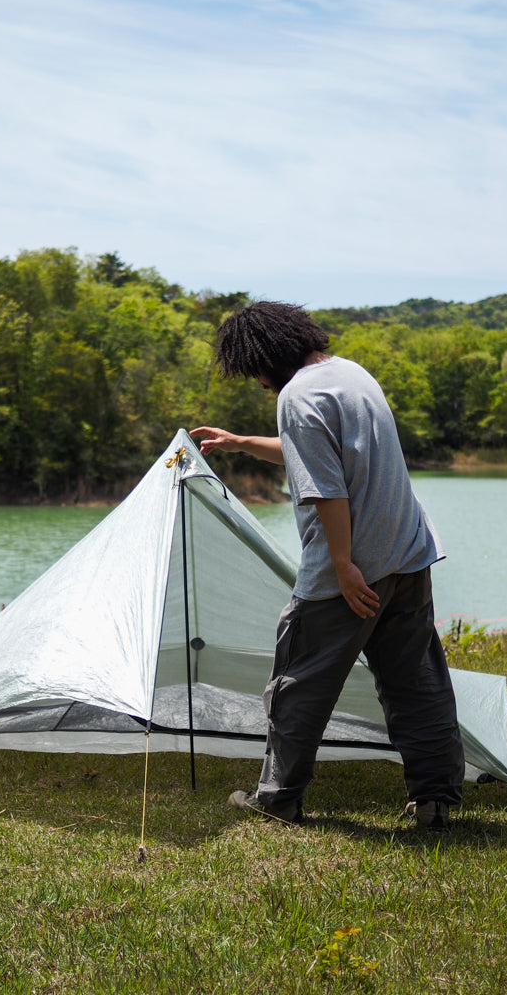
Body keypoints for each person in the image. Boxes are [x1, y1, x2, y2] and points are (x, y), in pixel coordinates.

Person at [191, 301, 464, 830]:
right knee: (416, 682)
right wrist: (243, 443)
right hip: (407, 555)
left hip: (354, 571)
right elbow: (324, 456)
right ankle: (435, 802)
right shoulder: (352, 374)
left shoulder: (297, 396)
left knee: (298, 682)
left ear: (266, 356)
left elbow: (327, 489)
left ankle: (278, 798)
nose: (259, 383)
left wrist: (342, 565)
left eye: (255, 372)